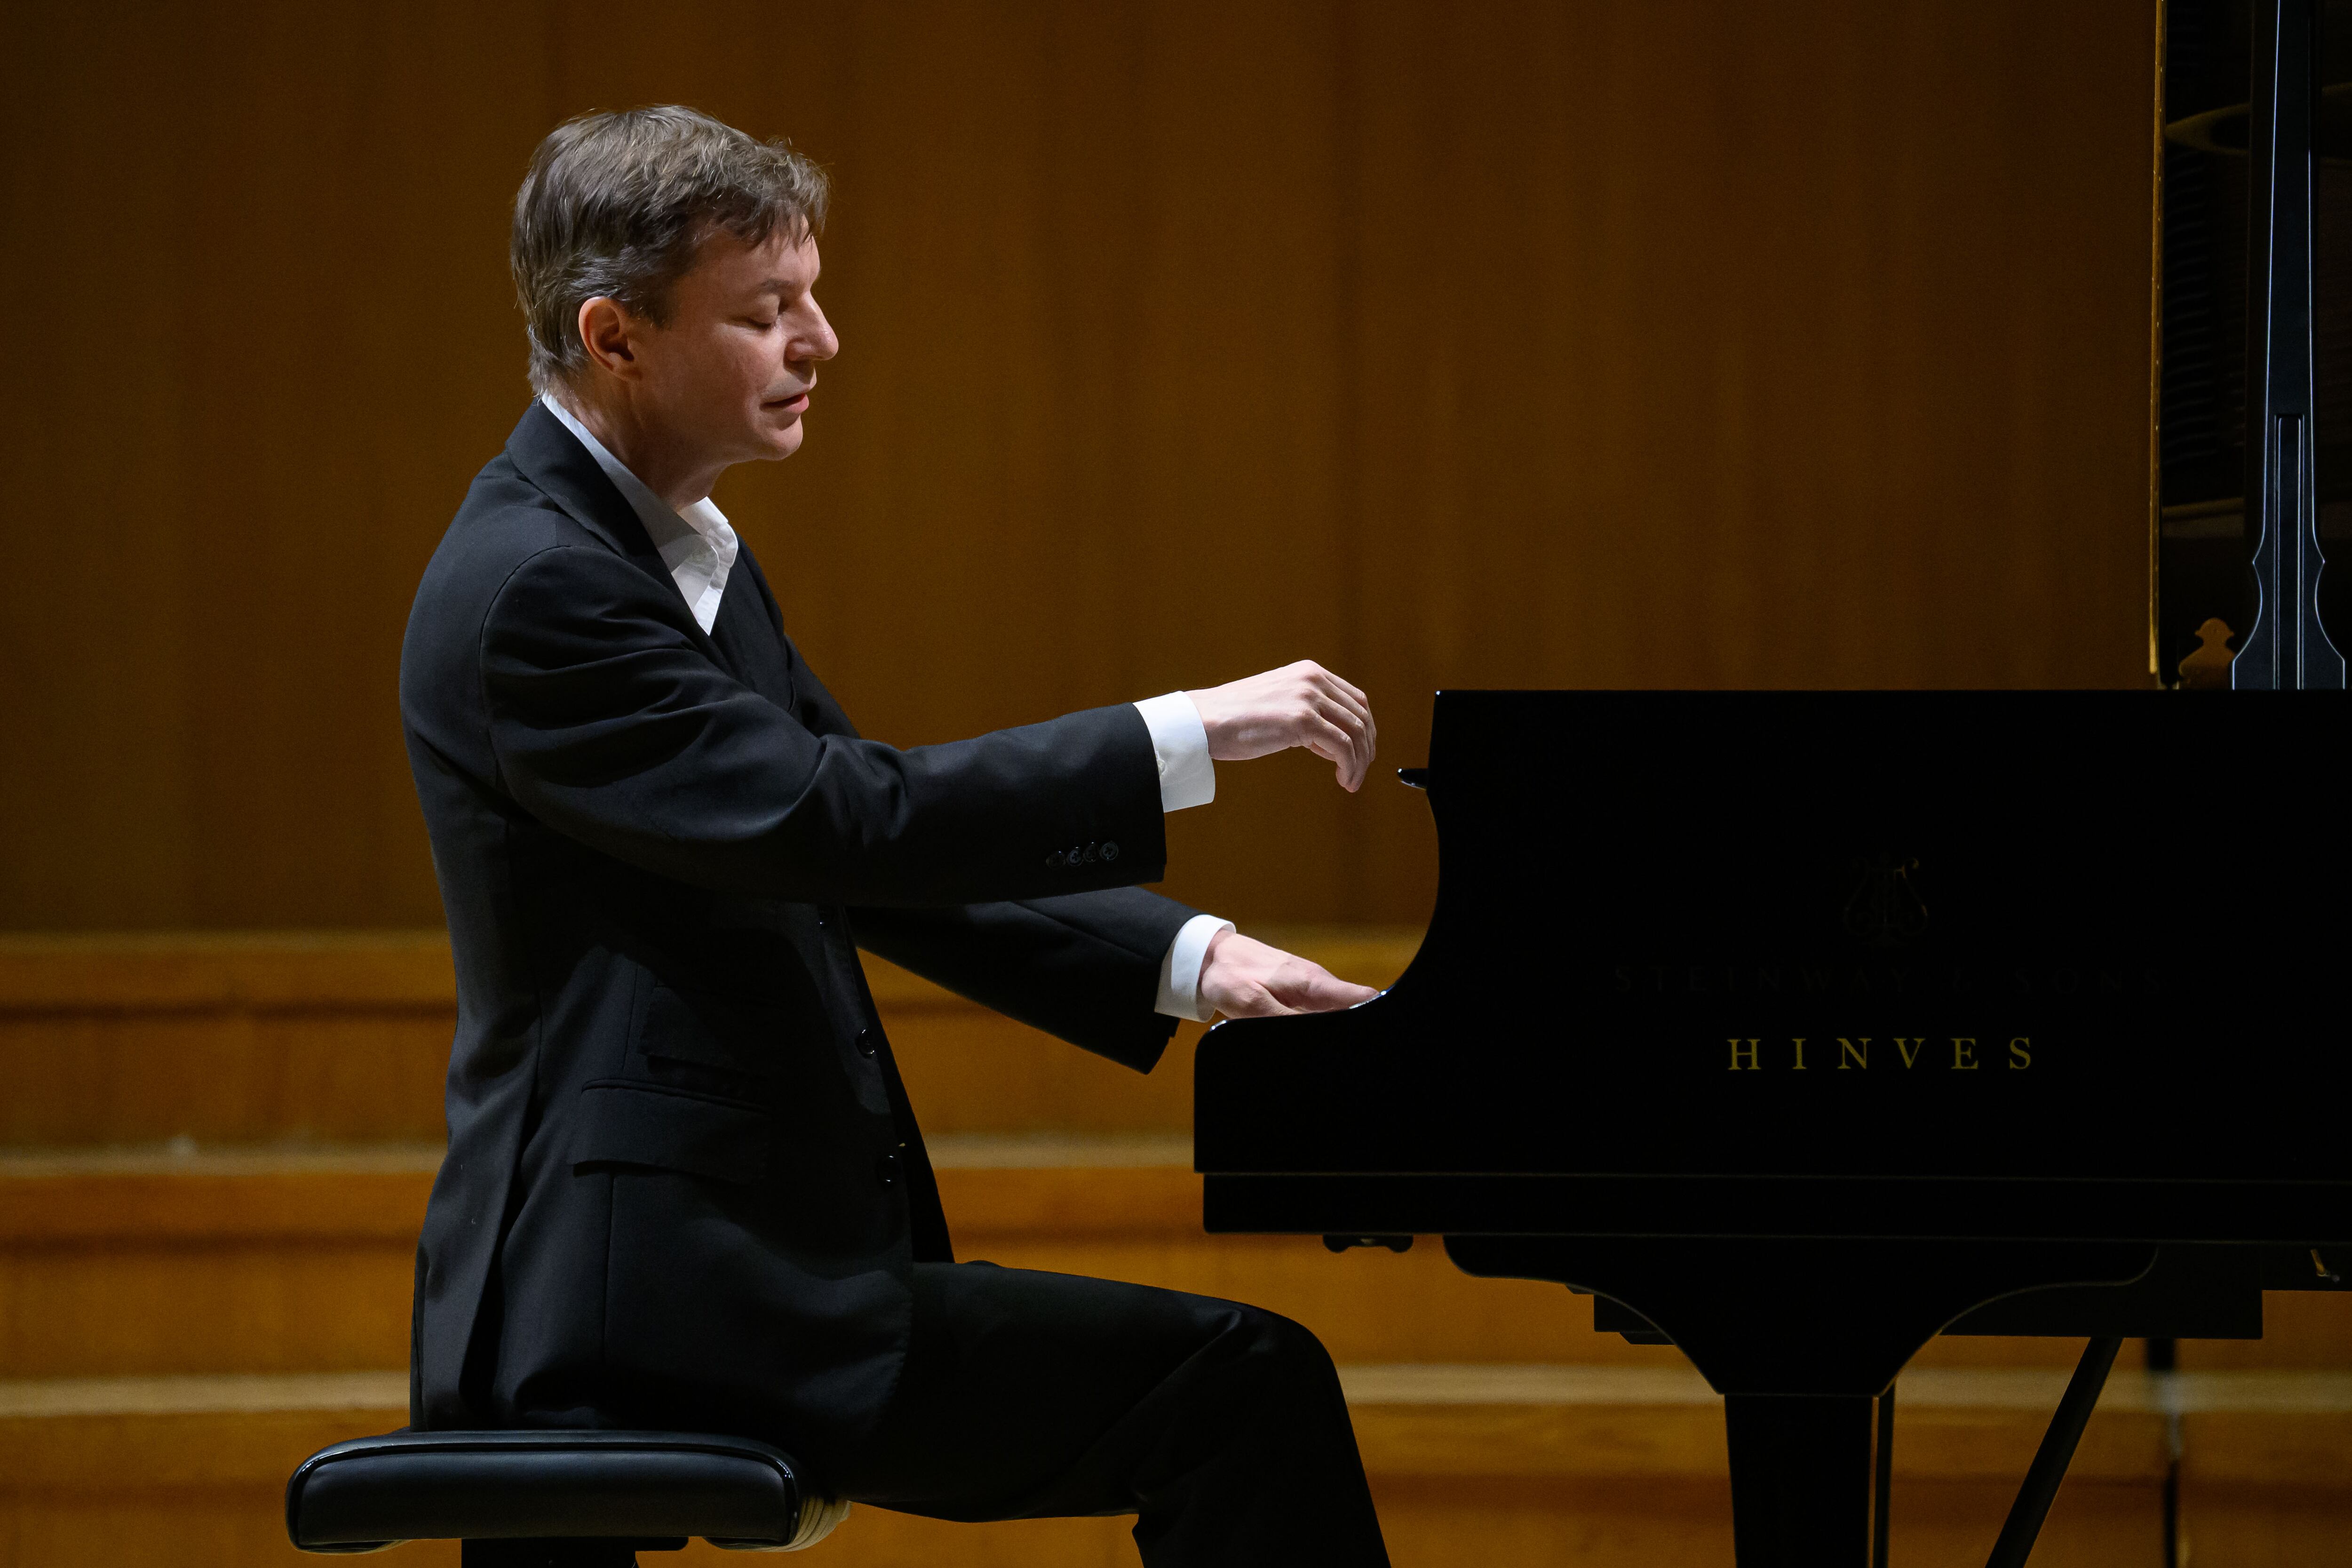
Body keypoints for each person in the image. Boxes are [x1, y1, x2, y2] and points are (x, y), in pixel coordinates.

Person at [398, 105, 1392, 1566]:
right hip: (645, 1295)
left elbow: (847, 844)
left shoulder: (671, 554)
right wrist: (1184, 731)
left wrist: (1201, 958)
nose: (823, 341)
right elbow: (837, 816)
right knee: (1244, 1389)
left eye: (811, 294)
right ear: (616, 339)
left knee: (1242, 1385)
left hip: (723, 1269)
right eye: (768, 311)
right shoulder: (542, 588)